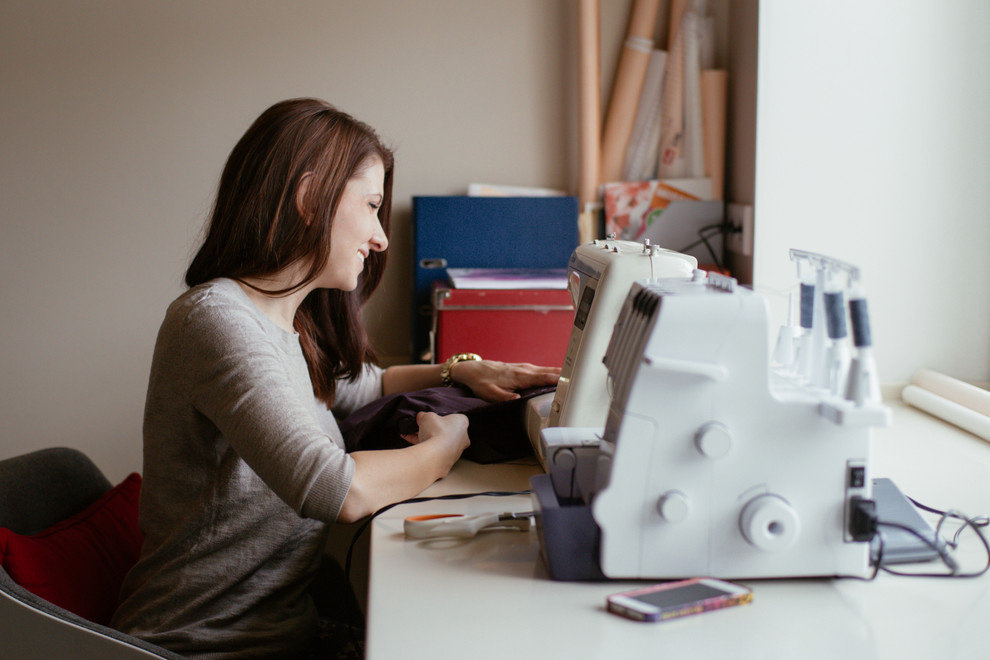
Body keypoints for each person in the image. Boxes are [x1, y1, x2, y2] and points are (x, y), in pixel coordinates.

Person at [110, 98, 560, 659]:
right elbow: (339, 490)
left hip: (280, 637)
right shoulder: (217, 321)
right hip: (198, 646)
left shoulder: (284, 323)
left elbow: (362, 387)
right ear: (308, 198)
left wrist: (463, 369)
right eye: (371, 206)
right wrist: (445, 447)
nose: (381, 238)